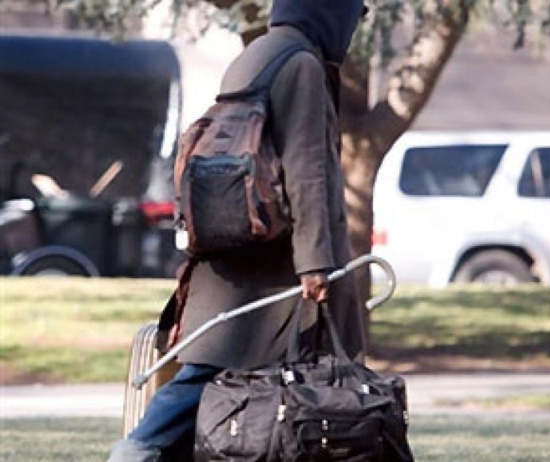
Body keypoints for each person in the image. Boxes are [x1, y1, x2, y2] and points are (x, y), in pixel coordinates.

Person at [107, 1, 368, 460]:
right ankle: (135, 453)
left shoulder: (258, 54)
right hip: (276, 268)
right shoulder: (302, 65)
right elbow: (306, 171)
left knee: (219, 374)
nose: (354, 24)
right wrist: (315, 263)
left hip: (239, 254)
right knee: (215, 379)